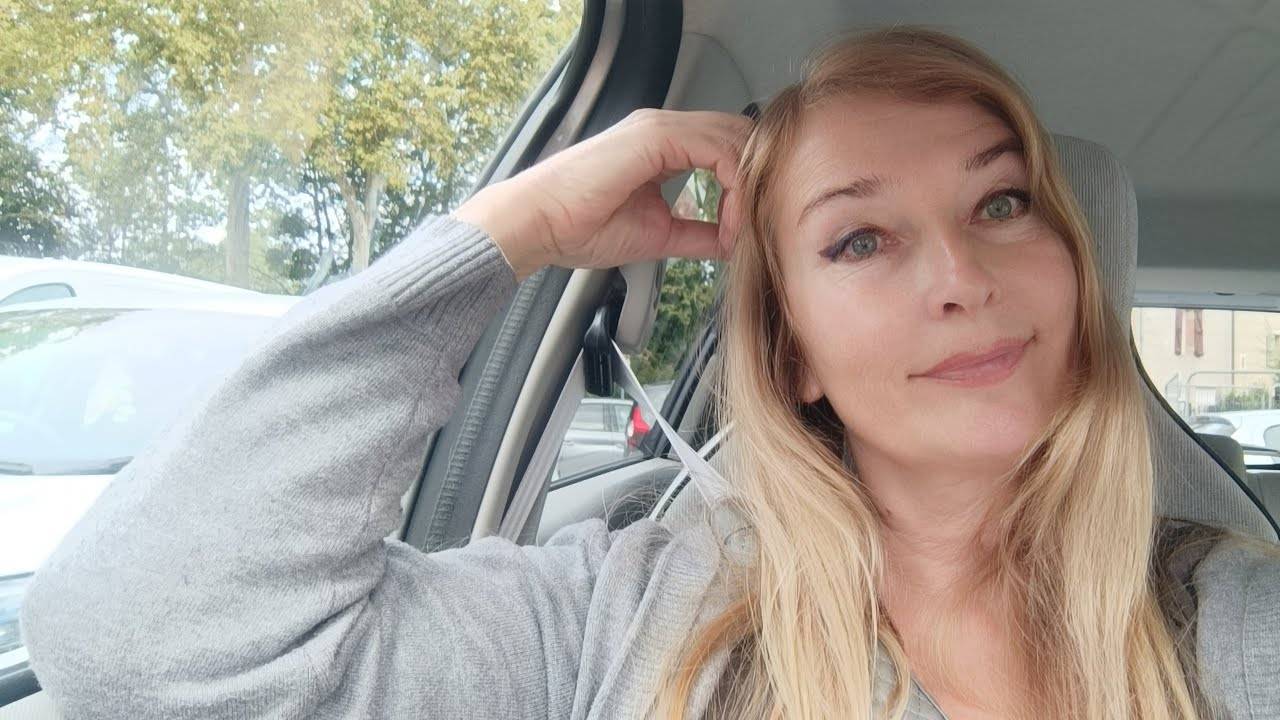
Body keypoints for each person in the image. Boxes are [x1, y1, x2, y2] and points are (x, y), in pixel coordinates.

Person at [20, 26, 1280, 720]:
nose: (960, 274)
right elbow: (136, 644)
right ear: (789, 355)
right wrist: (512, 231)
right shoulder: (616, 621)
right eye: (859, 238)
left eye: (1000, 204)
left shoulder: (1228, 619)